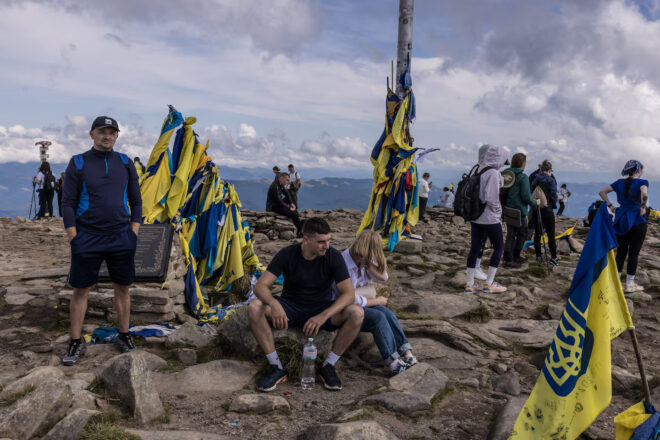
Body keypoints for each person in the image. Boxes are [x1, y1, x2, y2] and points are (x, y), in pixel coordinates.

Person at [61, 116, 142, 366]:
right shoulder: (78, 162)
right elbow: (67, 202)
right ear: (92, 134)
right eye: (102, 131)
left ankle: (125, 334)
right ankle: (76, 341)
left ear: (116, 136)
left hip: (120, 235)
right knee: (81, 289)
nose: (107, 136)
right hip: (87, 236)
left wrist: (133, 232)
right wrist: (73, 236)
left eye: (112, 132)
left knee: (123, 288)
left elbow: (136, 200)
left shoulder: (125, 162)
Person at [248, 218, 364, 392]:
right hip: (290, 307)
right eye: (321, 242)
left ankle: (328, 366)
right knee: (255, 307)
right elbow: (260, 286)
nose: (326, 245)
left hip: (321, 308)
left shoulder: (333, 256)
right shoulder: (287, 254)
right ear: (306, 239)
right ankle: (276, 367)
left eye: (328, 240)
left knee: (357, 312)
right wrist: (274, 304)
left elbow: (349, 294)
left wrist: (322, 316)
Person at [334, 230, 417, 376]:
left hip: (357, 304)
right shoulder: (343, 264)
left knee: (386, 312)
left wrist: (370, 265)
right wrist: (376, 301)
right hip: (341, 307)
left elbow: (383, 277)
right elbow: (348, 297)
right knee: (378, 317)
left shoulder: (363, 260)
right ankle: (393, 362)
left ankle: (407, 353)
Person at [598, 160, 649, 293]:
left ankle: (615, 282)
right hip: (637, 220)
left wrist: (610, 206)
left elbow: (602, 192)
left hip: (621, 219)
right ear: (639, 171)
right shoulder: (642, 183)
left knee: (621, 252)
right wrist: (643, 207)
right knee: (634, 253)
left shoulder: (619, 182)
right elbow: (644, 193)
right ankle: (629, 285)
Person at [465, 144, 509, 293]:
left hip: (476, 216)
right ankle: (490, 283)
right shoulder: (493, 173)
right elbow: (491, 198)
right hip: (490, 217)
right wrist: (498, 211)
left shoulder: (477, 168)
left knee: (475, 247)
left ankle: (470, 284)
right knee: (498, 247)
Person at [502, 153, 538, 268]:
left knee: (510, 234)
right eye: (525, 163)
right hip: (519, 211)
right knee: (522, 233)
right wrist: (535, 203)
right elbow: (526, 196)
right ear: (523, 164)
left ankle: (508, 258)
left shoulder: (506, 174)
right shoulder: (523, 177)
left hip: (507, 209)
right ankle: (515, 255)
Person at [530, 160, 559, 267]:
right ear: (549, 170)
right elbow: (553, 195)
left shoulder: (535, 179)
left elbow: (531, 191)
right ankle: (554, 258)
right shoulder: (551, 180)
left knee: (538, 233)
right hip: (548, 209)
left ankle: (538, 256)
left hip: (536, 209)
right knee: (551, 234)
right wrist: (553, 205)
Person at [266, 173, 302, 237]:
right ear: (281, 178)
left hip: (278, 203)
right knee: (293, 213)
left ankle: (295, 213)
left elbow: (287, 194)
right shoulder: (275, 186)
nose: (288, 182)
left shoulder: (280, 184)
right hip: (273, 206)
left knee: (291, 197)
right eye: (287, 180)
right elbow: (279, 200)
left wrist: (291, 203)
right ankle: (300, 230)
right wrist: (289, 208)